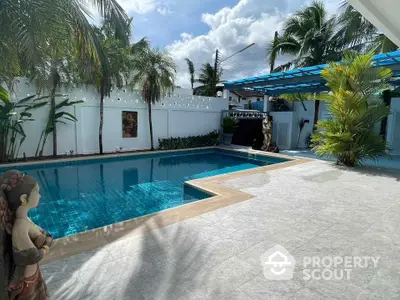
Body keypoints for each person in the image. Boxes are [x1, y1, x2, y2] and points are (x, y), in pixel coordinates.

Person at [0, 170, 52, 300]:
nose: (40, 196)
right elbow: (31, 257)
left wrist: (46, 239)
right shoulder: (20, 228)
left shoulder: (24, 220)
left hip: (33, 275)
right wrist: (46, 246)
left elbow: (46, 236)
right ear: (24, 198)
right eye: (37, 192)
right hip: (28, 283)